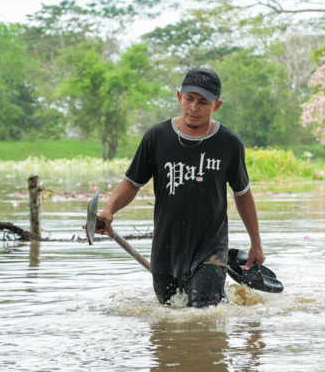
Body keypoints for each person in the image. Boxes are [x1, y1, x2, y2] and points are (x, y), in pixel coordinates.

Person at [96, 68, 265, 308]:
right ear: (179, 97)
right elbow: (132, 182)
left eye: (203, 101)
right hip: (166, 247)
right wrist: (109, 210)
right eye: (189, 98)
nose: (194, 107)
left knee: (204, 314)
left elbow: (242, 194)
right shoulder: (157, 137)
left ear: (216, 106)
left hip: (211, 247)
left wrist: (256, 243)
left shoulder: (229, 143)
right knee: (171, 316)